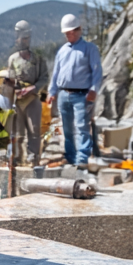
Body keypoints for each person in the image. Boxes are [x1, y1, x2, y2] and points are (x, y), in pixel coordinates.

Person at [46, 13, 102, 166]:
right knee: (67, 128)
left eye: (73, 31)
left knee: (82, 127)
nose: (70, 35)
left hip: (81, 94)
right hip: (64, 94)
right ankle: (70, 157)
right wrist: (52, 92)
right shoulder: (62, 50)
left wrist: (94, 90)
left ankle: (82, 158)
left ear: (79, 30)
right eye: (67, 33)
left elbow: (97, 71)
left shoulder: (89, 48)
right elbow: (56, 73)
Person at [6, 20, 49, 165]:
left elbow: (44, 78)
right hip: (17, 101)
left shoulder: (38, 59)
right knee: (17, 133)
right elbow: (9, 80)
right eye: (20, 37)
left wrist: (34, 88)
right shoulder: (13, 59)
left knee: (34, 130)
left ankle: (33, 158)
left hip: (33, 100)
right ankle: (17, 158)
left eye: (26, 38)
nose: (23, 40)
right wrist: (16, 90)